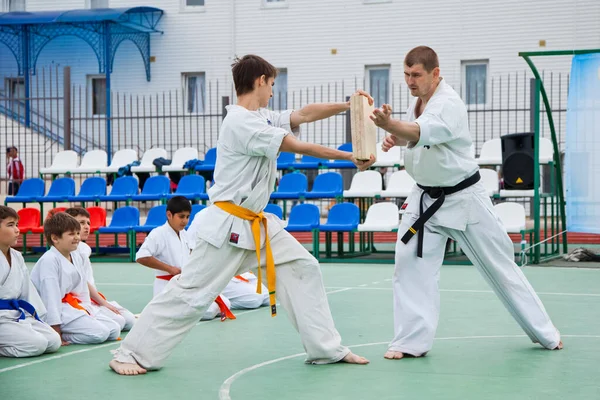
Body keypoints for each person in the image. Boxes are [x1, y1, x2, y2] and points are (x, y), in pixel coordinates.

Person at [109, 54, 375, 375]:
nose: (274, 92)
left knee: (304, 266)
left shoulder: (261, 117)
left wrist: (348, 106)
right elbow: (297, 147)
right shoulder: (240, 122)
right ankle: (129, 353)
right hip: (226, 226)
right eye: (272, 84)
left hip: (256, 223)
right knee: (191, 293)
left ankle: (326, 349)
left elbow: (304, 114)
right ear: (260, 81)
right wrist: (351, 156)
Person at [369, 46, 562, 360]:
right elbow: (415, 137)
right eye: (406, 74)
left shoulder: (449, 103)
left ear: (435, 72)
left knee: (500, 267)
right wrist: (395, 137)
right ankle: (410, 342)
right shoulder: (419, 102)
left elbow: (421, 131)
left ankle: (546, 333)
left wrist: (392, 127)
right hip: (424, 200)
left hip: (464, 199)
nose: (410, 81)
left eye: (415, 74)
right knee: (409, 265)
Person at [136, 196, 232, 321]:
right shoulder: (158, 233)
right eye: (181, 217)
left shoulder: (184, 234)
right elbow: (141, 257)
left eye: (187, 217)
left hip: (186, 286)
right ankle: (168, 310)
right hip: (167, 288)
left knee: (225, 302)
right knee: (208, 311)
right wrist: (169, 269)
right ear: (169, 215)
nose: (185, 221)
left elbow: (191, 256)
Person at [30, 212, 121, 345]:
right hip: (52, 309)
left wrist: (88, 310)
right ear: (55, 238)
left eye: (77, 233)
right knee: (100, 334)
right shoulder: (49, 260)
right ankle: (64, 334)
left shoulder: (75, 255)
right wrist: (56, 331)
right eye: (71, 234)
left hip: (71, 306)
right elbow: (51, 298)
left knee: (114, 330)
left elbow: (82, 288)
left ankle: (77, 327)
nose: (77, 238)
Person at [0, 205, 61, 357]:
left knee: (53, 340)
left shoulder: (17, 256)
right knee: (37, 344)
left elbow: (27, 292)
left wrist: (40, 319)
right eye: (10, 225)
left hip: (14, 314)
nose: (17, 230)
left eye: (17, 225)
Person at [65, 207, 136, 330]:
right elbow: (83, 283)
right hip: (77, 302)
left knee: (129, 320)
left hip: (92, 298)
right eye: (81, 223)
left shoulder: (84, 248)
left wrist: (103, 302)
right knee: (117, 323)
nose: (86, 227)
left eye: (88, 223)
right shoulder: (68, 251)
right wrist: (103, 303)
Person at [187, 208, 270, 310]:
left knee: (268, 294)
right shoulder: (203, 216)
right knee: (255, 298)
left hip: (236, 270)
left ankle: (226, 299)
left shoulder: (240, 213)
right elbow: (191, 249)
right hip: (215, 274)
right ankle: (224, 301)